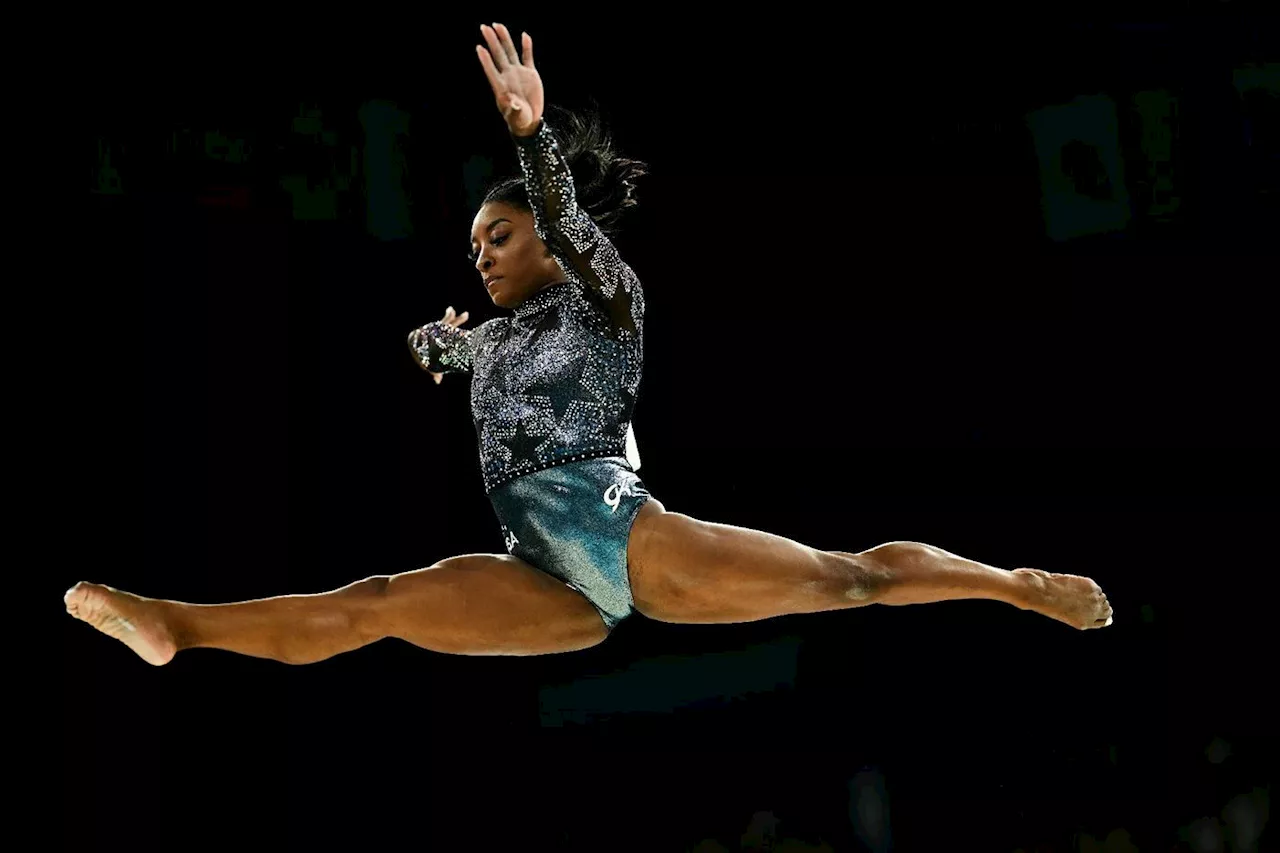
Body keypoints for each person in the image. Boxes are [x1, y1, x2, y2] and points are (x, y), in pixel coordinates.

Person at [65, 23, 1113, 667]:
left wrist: (529, 142)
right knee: (371, 609)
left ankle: (1015, 585)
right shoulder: (508, 335)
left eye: (499, 234)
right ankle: (173, 624)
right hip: (546, 579)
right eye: (472, 242)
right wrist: (439, 349)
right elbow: (452, 360)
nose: (481, 253)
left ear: (551, 243)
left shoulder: (603, 294)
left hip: (619, 532)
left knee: (849, 581)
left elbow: (566, 231)